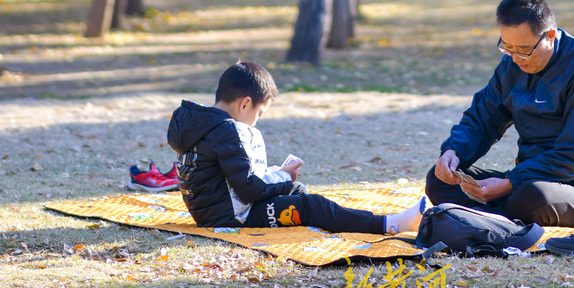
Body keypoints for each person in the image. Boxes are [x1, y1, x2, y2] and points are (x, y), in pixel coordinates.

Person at [427, 0, 574, 256]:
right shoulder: (511, 66)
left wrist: (510, 182)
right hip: (529, 181)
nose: (516, 58)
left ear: (549, 36)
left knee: (528, 196)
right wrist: (453, 153)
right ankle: (496, 219)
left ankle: (487, 219)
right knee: (439, 181)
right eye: (506, 47)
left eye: (523, 50)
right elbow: (482, 119)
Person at [168, 60, 426, 235]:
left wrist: (281, 178)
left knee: (297, 191)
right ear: (245, 103)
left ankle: (330, 219)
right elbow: (247, 191)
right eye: (260, 112)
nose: (258, 120)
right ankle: (388, 224)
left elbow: (230, 175)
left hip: (214, 209)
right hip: (231, 217)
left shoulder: (203, 124)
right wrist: (282, 175)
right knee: (311, 205)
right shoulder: (227, 130)